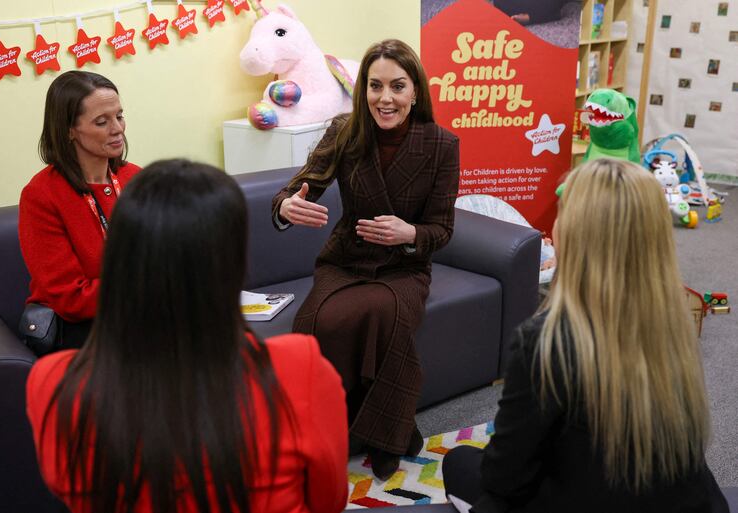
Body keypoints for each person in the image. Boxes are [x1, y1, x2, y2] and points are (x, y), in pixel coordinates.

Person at [26, 159, 349, 513]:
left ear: (120, 261)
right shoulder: (299, 369)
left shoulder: (51, 384)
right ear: (231, 265)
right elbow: (328, 501)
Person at [442, 159, 728, 513]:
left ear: (578, 233)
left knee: (458, 463)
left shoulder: (546, 339)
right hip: (687, 501)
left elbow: (506, 478)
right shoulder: (672, 324)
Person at [271, 39, 460, 480]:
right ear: (363, 90)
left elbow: (442, 230)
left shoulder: (442, 145)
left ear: (415, 90)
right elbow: (297, 187)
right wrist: (285, 207)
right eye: (375, 86)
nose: (385, 98)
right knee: (315, 325)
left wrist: (409, 233)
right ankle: (382, 429)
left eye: (397, 86)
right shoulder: (344, 130)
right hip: (346, 261)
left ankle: (383, 437)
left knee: (385, 313)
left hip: (405, 267)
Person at [19, 71, 141, 348]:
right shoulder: (41, 195)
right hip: (83, 329)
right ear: (68, 130)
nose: (117, 128)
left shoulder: (135, 178)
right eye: (102, 122)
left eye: (119, 116)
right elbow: (70, 299)